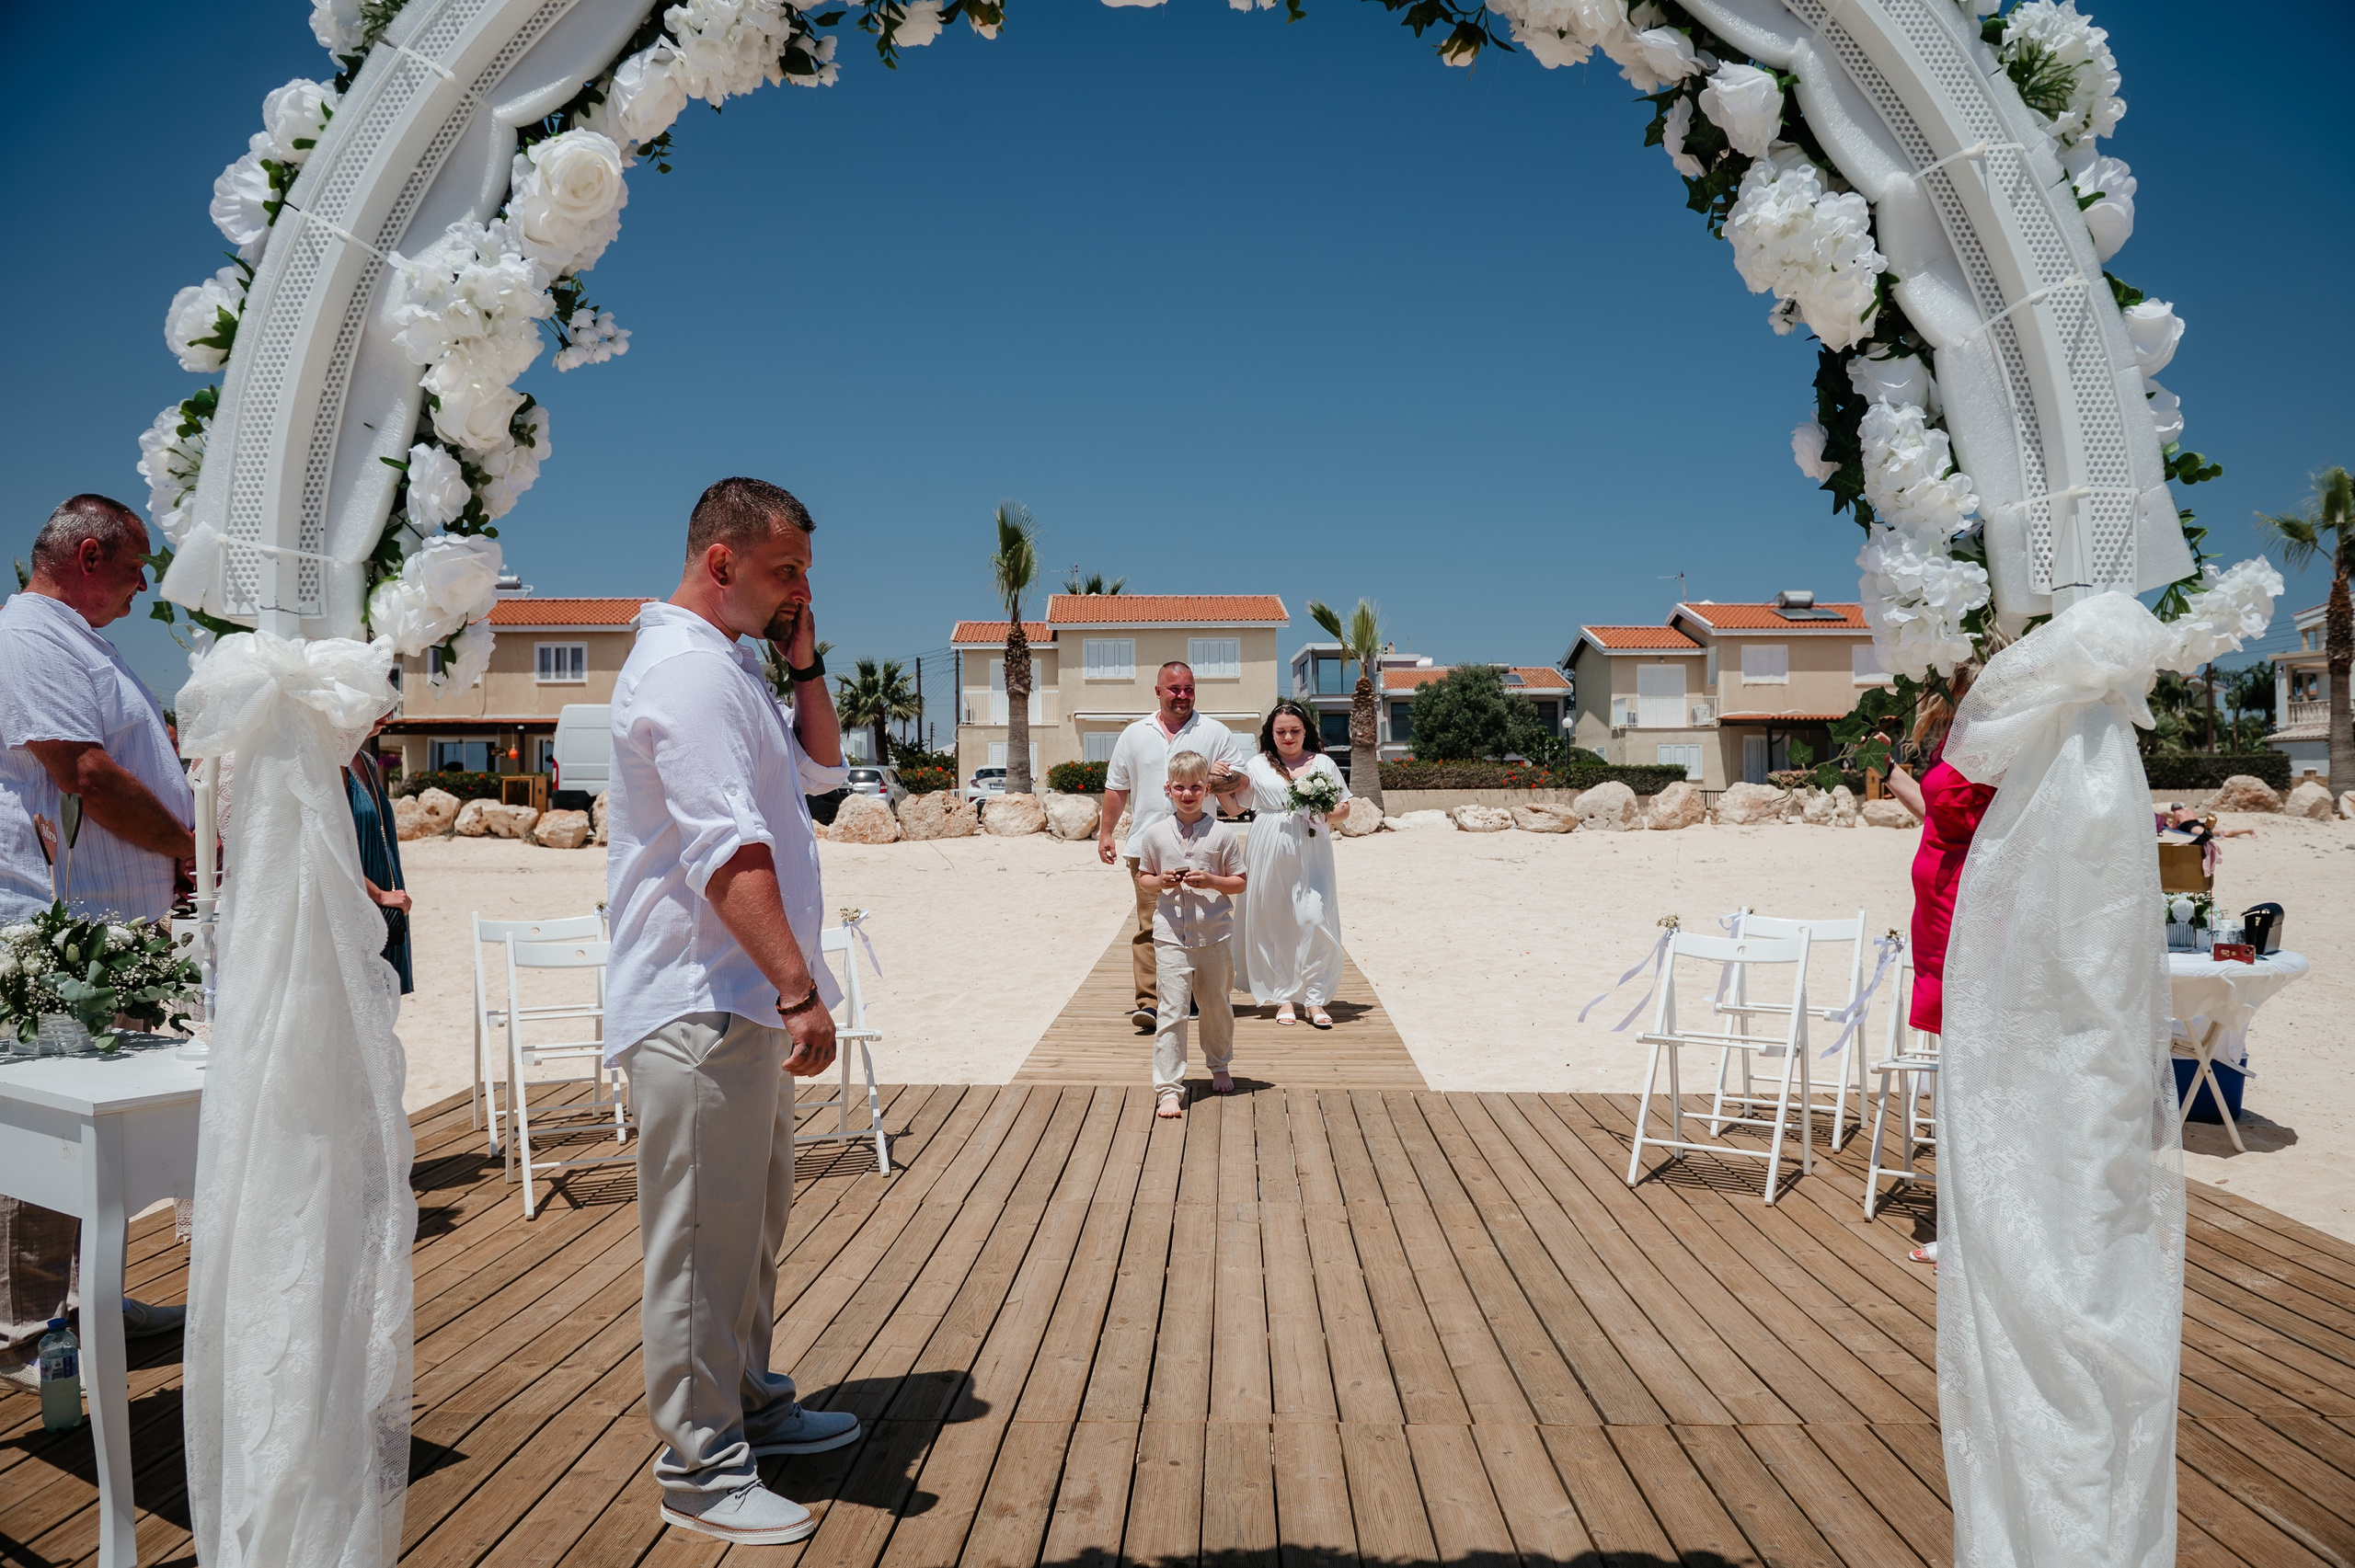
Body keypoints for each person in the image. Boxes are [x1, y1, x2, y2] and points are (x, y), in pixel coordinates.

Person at [603, 477, 858, 1546]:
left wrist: (801, 657)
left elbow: (823, 771)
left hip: (733, 997)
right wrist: (797, 986)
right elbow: (726, 848)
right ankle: (699, 1469)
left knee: (747, 1229)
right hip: (702, 999)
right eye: (785, 569)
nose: (802, 586)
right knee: (701, 1244)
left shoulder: (733, 666)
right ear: (722, 563)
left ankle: (749, 1405)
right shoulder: (688, 673)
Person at [0, 496, 199, 1387]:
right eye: (133, 564)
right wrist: (186, 843)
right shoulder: (32, 636)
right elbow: (82, 771)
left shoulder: (79, 638)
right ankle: (21, 1333)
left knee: (98, 1141)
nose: (143, 582)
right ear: (87, 554)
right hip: (57, 930)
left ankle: (89, 1305)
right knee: (44, 1140)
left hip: (105, 930)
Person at [1882, 662, 1989, 1269]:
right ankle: (1967, 1225)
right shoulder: (1964, 740)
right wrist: (1882, 770)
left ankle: (1974, 1234)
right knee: (1959, 1088)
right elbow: (1936, 809)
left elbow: (1959, 815)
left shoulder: (1997, 744)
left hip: (1969, 932)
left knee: (1972, 1092)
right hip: (1943, 931)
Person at [1097, 662, 1249, 1030]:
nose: (1182, 696)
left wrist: (1227, 777)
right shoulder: (1134, 734)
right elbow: (1117, 788)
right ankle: (1150, 1004)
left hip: (1204, 845)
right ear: (1158, 691)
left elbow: (1241, 785)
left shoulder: (1214, 731)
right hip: (1148, 844)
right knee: (1152, 926)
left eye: (1188, 689)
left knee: (1200, 926)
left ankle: (1196, 1000)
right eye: (1174, 689)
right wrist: (1106, 833)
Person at [1133, 750, 1247, 1117]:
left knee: (1215, 1004)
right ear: (1168, 789)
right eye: (1180, 787)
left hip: (1214, 935)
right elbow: (1144, 878)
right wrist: (1161, 880)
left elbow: (1239, 882)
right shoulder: (1154, 835)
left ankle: (1219, 1063)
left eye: (1195, 787)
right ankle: (1169, 1087)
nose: (1187, 794)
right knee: (1172, 1009)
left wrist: (1213, 880)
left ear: (1208, 789)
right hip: (1170, 935)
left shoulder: (1222, 833)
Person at [1238, 700, 1350, 1027]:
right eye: (1281, 731)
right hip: (1267, 846)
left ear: (1306, 732)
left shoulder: (1324, 763)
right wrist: (1218, 783)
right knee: (1275, 921)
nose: (1288, 737)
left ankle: (1314, 997)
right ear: (1271, 734)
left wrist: (1322, 813)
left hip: (1311, 849)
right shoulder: (1256, 764)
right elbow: (1235, 807)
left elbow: (1344, 808)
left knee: (1313, 918)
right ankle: (1284, 996)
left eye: (1295, 731)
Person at [345, 718, 411, 994]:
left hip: (387, 899)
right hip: (359, 899)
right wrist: (379, 895)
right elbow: (327, 850)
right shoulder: (332, 765)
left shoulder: (368, 762)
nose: (386, 707)